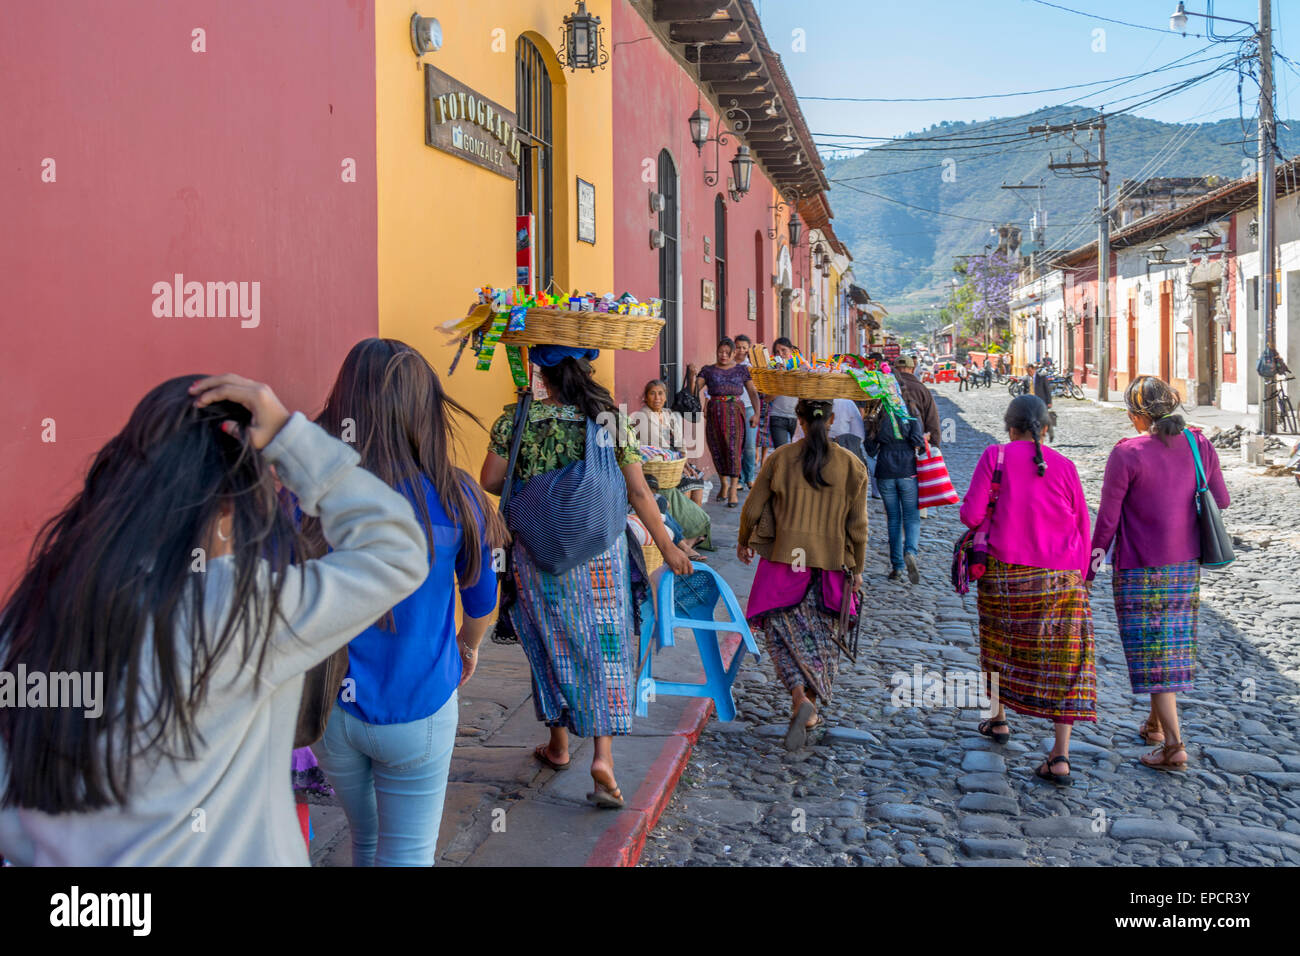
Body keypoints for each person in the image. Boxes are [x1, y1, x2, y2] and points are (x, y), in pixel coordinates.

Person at [0, 373, 429, 865]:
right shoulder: (234, 609)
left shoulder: (28, 619)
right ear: (226, 510)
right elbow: (396, 552)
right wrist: (290, 437)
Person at [307, 339, 506, 866]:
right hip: (418, 708)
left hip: (330, 709)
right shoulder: (458, 495)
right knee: (407, 855)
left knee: (364, 841)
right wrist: (468, 646)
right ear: (426, 410)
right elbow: (482, 603)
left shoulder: (308, 495)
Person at [480, 346, 692, 810]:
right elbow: (638, 489)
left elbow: (492, 480)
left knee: (549, 640)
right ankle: (603, 760)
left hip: (538, 554)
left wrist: (536, 477)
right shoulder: (609, 419)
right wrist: (669, 545)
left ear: (542, 375)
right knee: (605, 646)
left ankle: (557, 745)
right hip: (598, 556)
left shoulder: (517, 418)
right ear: (585, 370)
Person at [1090, 375, 1230, 771]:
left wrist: (1091, 567)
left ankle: (1174, 746)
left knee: (1155, 655)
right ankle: (1154, 726)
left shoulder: (1127, 453)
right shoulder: (1199, 443)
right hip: (1186, 565)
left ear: (1137, 415)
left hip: (1139, 569)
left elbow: (1107, 521)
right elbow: (1221, 499)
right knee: (1170, 646)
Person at [959, 395, 1096, 787]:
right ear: (1046, 427)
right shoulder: (1067, 467)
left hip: (1007, 574)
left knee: (1000, 647)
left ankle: (998, 718)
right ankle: (1060, 756)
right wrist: (1082, 577)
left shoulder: (995, 456)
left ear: (1009, 426)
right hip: (1063, 579)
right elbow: (1083, 525)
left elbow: (970, 515)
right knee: (1067, 661)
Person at [738, 399, 869, 752]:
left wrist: (744, 541)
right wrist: (857, 569)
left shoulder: (779, 459)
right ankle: (807, 705)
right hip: (830, 569)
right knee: (821, 643)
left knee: (782, 639)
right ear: (832, 420)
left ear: (797, 419)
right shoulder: (852, 466)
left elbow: (752, 506)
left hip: (783, 566)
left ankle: (799, 699)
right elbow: (857, 527)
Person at [636, 379, 712, 554]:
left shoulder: (669, 414)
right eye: (652, 393)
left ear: (665, 396)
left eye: (660, 393)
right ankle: (684, 536)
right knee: (684, 485)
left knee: (696, 478)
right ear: (646, 397)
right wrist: (676, 461)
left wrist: (684, 462)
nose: (657, 397)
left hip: (674, 462)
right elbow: (655, 445)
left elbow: (679, 442)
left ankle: (693, 532)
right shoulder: (643, 416)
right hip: (659, 467)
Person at [864, 399, 926, 583]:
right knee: (912, 517)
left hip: (885, 470)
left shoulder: (876, 411)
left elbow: (870, 448)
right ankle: (910, 551)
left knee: (893, 519)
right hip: (907, 469)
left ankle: (897, 567)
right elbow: (918, 441)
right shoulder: (910, 409)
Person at [695, 337, 760, 508]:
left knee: (734, 449)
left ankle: (732, 489)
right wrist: (691, 375)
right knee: (717, 448)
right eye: (720, 352)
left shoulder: (741, 370)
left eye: (727, 352)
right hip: (714, 412)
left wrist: (757, 414)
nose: (723, 355)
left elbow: (753, 392)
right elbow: (695, 389)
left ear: (733, 353)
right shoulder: (708, 371)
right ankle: (723, 483)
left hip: (734, 411)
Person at [895, 354, 941, 519]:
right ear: (912, 369)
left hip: (892, 443)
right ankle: (919, 511)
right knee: (916, 479)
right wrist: (934, 445)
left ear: (895, 369)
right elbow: (932, 419)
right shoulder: (922, 389)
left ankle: (897, 511)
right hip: (918, 443)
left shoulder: (888, 387)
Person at [733, 333, 759, 489]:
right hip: (733, 408)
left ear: (748, 349)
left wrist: (757, 412)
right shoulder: (728, 364)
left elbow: (755, 391)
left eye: (744, 347)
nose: (741, 351)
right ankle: (739, 480)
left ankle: (749, 477)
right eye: (738, 347)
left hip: (749, 408)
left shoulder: (752, 367)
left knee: (749, 445)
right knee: (736, 446)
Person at [764, 337, 800, 448]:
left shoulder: (801, 369)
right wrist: (779, 378)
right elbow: (767, 398)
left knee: (799, 453)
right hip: (778, 417)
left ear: (792, 351)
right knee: (781, 452)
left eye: (784, 350)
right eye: (777, 352)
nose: (780, 354)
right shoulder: (771, 371)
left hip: (798, 418)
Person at [828, 397, 867, 464]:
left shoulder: (808, 402)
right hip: (843, 455)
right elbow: (859, 437)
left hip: (814, 454)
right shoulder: (847, 403)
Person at [1032, 361, 1056, 442]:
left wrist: (1049, 401)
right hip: (1032, 402)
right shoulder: (1027, 378)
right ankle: (1037, 436)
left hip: (1042, 401)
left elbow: (1047, 390)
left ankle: (1050, 432)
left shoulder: (1041, 377)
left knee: (1044, 419)